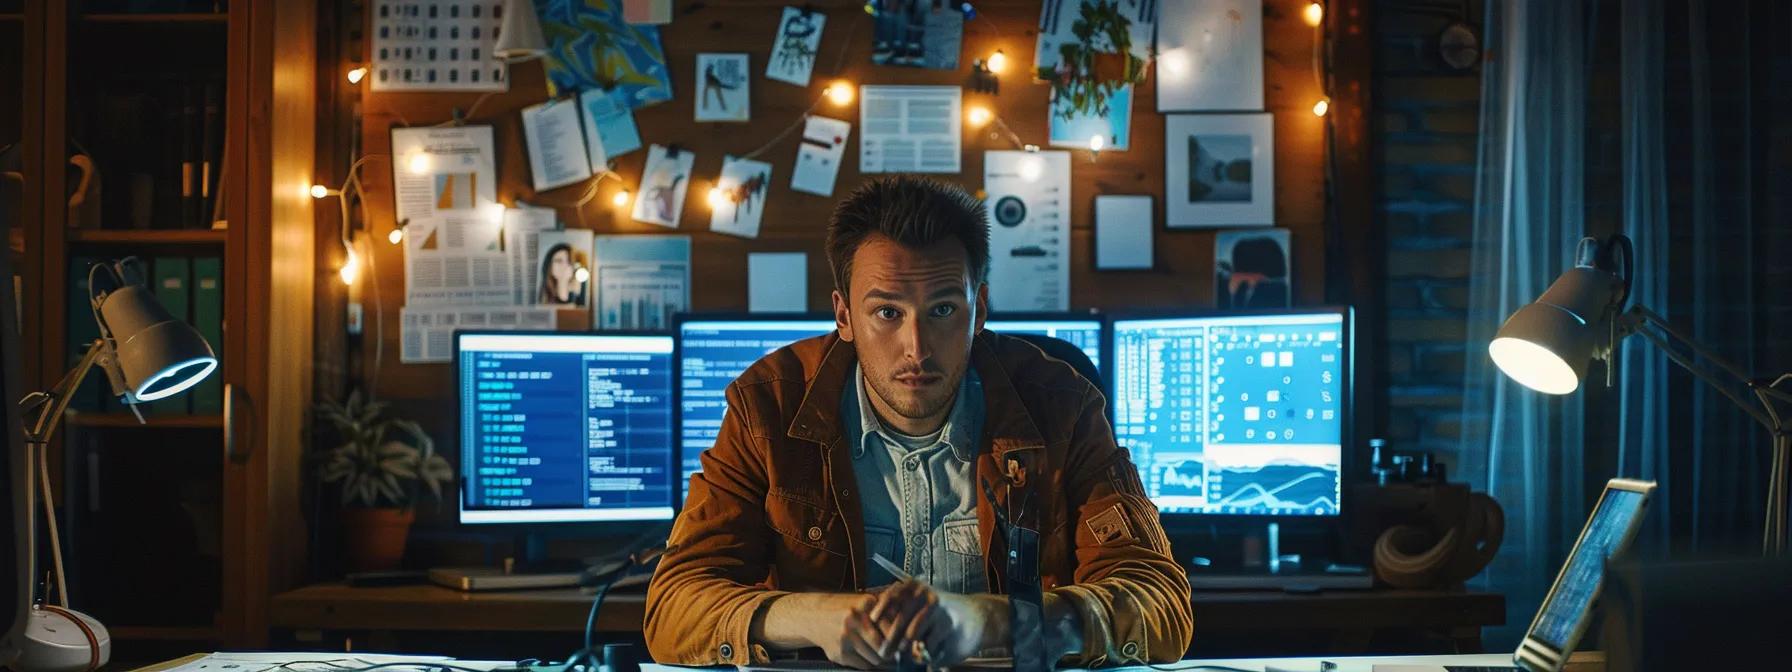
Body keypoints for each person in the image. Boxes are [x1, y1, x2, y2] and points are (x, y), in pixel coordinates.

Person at [644, 176, 1191, 668]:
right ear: (844, 316)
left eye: (943, 310)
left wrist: (985, 621)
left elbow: (1159, 603)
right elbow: (673, 606)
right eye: (887, 312)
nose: (917, 348)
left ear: (980, 308)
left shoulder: (1062, 405)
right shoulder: (767, 407)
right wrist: (820, 618)